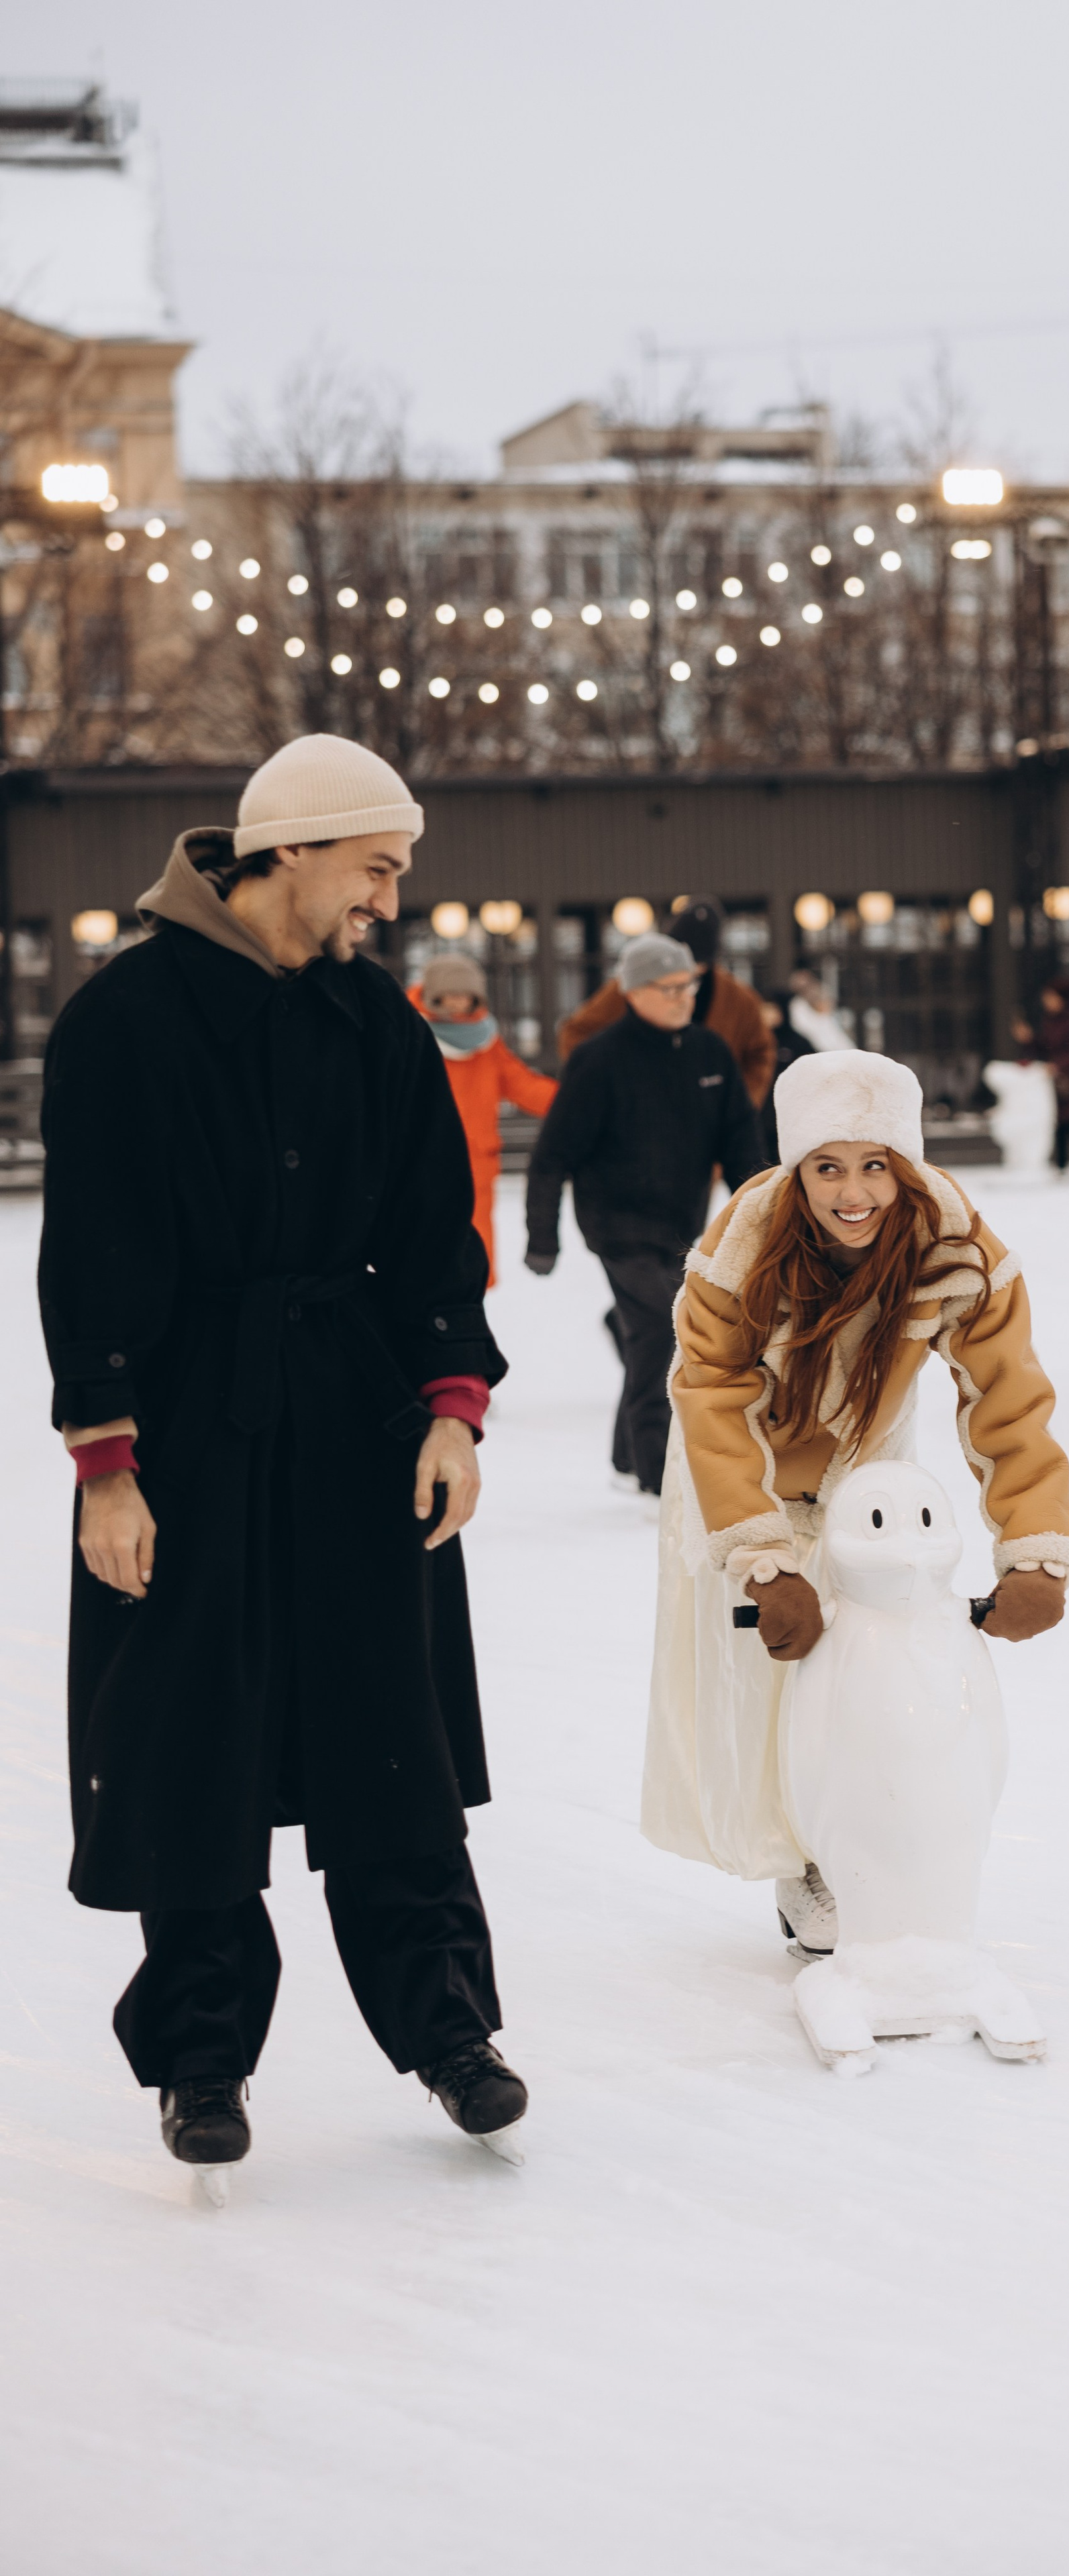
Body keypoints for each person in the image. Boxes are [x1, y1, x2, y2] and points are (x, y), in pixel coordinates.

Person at [36, 734, 526, 2183]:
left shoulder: (372, 1024)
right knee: (190, 1735)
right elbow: (94, 1253)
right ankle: (200, 2057)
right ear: (293, 849)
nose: (387, 898)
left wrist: (450, 1401)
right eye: (375, 867)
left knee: (394, 1735)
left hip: (353, 1420)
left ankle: (447, 2029)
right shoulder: (122, 1021)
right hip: (186, 1426)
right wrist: (107, 1463)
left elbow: (435, 1224)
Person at [640, 1047, 1069, 1955]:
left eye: (877, 1166)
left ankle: (856, 1848)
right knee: (771, 1668)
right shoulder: (743, 1246)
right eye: (828, 1168)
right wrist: (762, 1559)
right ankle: (799, 1857)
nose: (855, 1193)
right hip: (742, 1474)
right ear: (796, 1170)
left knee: (867, 1662)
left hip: (861, 1468)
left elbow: (1009, 1398)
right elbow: (713, 1400)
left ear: (907, 1167)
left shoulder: (955, 1249)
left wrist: (1034, 1549)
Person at [525, 931, 760, 1497]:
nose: (684, 997)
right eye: (670, 987)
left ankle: (626, 1455)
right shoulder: (599, 1060)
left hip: (683, 1225)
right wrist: (542, 1237)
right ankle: (659, 1476)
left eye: (690, 985)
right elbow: (553, 1154)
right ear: (632, 993)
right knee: (666, 1328)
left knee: (650, 1334)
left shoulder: (710, 1054)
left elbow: (742, 1149)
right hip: (617, 1225)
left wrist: (766, 1219)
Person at [412, 952, 558, 1283]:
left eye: (466, 995)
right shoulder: (410, 1036)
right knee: (424, 1265)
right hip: (423, 1168)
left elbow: (523, 1085)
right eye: (451, 995)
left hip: (476, 1169)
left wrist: (577, 1102)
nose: (458, 1003)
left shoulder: (485, 1042)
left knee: (471, 1270)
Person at [557, 895, 776, 1108]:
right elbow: (576, 1034)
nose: (683, 966)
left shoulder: (738, 1000)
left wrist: (739, 1106)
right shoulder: (634, 985)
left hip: (710, 1124)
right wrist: (608, 1091)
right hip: (639, 1118)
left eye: (693, 963)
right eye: (674, 956)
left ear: (709, 961)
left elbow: (760, 1053)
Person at [1017, 971, 1069, 1175]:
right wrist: (1030, 1040)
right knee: (1065, 1121)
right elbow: (1047, 1047)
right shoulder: (1053, 1020)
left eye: (1050, 997)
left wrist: (1058, 1066)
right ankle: (1067, 1165)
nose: (1046, 1002)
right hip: (1065, 1080)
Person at [756, 987, 818, 1163]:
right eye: (763, 1008)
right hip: (759, 1116)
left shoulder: (798, 1043)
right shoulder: (754, 1042)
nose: (766, 1014)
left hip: (790, 1118)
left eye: (771, 1009)